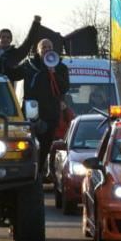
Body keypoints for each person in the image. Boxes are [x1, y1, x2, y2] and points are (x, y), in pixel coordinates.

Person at [20, 38, 70, 174]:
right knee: (29, 146)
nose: (47, 49)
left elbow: (64, 87)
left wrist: (53, 73)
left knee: (45, 146)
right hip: (32, 114)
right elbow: (16, 74)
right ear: (38, 51)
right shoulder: (30, 66)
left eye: (49, 47)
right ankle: (29, 172)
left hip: (50, 115)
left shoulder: (60, 67)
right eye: (44, 47)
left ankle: (39, 173)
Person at [0, 16, 42, 82]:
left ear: (11, 40)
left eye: (8, 38)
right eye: (3, 37)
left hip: (6, 90)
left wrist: (36, 24)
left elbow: (28, 42)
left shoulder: (15, 54)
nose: (5, 39)